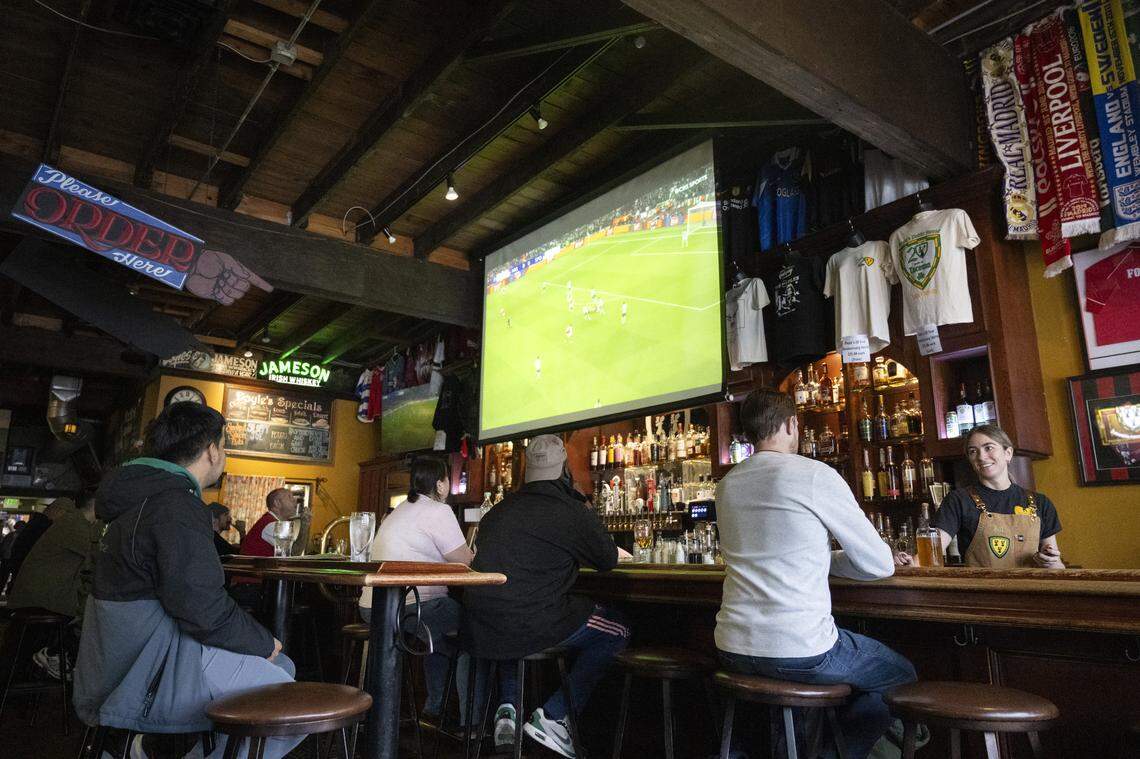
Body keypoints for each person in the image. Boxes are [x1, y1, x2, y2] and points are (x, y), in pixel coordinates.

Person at [73, 402, 301, 759]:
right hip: (156, 663)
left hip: (121, 657)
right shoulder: (175, 505)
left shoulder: (133, 499)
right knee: (293, 707)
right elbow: (201, 609)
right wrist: (261, 641)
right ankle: (158, 744)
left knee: (282, 668)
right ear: (211, 450)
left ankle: (154, 746)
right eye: (223, 447)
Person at [715, 390, 915, 759]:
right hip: (799, 648)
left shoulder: (726, 485)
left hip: (732, 647)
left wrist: (830, 558)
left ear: (748, 432)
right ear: (792, 424)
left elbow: (779, 555)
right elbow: (879, 564)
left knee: (787, 697)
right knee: (901, 675)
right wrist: (850, 558)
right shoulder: (813, 475)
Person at [462, 435, 628, 758]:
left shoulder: (496, 512)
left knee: (512, 616)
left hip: (482, 624)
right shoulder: (571, 511)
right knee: (618, 629)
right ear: (564, 470)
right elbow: (607, 559)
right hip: (531, 621)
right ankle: (554, 716)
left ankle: (507, 709)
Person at [359, 458, 477, 724]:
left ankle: (435, 707)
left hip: (373, 607)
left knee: (438, 636)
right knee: (475, 629)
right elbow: (464, 560)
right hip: (410, 607)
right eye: (448, 479)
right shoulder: (438, 510)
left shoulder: (400, 509)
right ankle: (471, 721)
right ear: (440, 484)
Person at [898, 423, 1064, 569]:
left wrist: (1052, 562)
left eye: (988, 448)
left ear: (1008, 453)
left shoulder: (1041, 503)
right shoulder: (959, 500)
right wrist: (910, 563)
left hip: (1032, 598)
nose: (981, 456)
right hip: (984, 597)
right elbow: (933, 550)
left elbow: (1056, 566)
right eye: (973, 451)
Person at [239, 488, 298, 557]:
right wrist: (305, 524)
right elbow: (293, 553)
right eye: (289, 497)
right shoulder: (272, 524)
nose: (294, 500)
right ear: (277, 503)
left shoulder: (272, 521)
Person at [0, 520, 24, 594]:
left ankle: (9, 592)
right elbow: (4, 546)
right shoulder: (11, 535)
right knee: (3, 578)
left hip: (12, 560)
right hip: (7, 559)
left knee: (8, 578)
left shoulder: (20, 537)